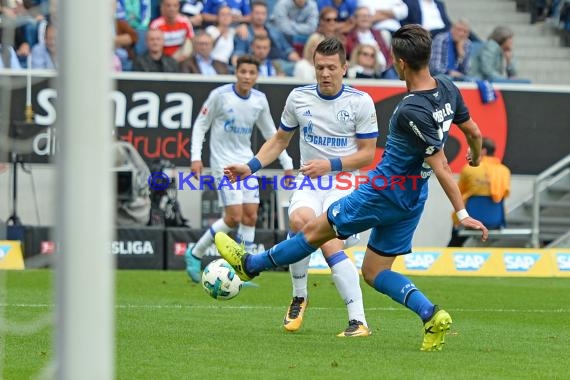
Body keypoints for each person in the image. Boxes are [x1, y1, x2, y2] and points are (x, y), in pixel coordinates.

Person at [216, 25, 489, 351]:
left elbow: (441, 165)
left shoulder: (409, 109)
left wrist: (462, 212)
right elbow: (472, 129)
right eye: (321, 67)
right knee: (374, 271)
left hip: (382, 192)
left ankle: (250, 266)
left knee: (315, 232)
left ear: (400, 63)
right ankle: (430, 314)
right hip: (414, 198)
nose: (326, 73)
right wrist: (474, 153)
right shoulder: (446, 87)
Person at [259, 38, 379, 336]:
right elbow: (279, 141)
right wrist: (250, 166)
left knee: (325, 235)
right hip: (310, 181)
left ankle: (359, 319)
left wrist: (331, 164)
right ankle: (300, 296)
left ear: (344, 68)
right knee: (300, 222)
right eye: (320, 68)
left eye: (332, 68)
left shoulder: (360, 101)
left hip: (344, 182)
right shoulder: (298, 98)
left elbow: (367, 153)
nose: (325, 73)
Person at [185, 55, 295, 283]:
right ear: (236, 72)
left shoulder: (259, 100)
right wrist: (196, 157)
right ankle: (195, 252)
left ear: (257, 76)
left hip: (247, 164)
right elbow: (200, 125)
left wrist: (287, 163)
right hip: (223, 164)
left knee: (250, 215)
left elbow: (272, 135)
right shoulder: (220, 95)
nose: (246, 76)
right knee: (233, 216)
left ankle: (242, 271)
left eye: (251, 73)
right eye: (243, 71)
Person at [448, 137, 511, 247]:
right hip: (495, 220)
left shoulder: (469, 168)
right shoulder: (505, 171)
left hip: (471, 220)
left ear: (483, 151)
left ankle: (450, 252)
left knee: (457, 218)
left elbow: (458, 194)